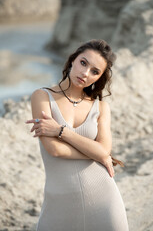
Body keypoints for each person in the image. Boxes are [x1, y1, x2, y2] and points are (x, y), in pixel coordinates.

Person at [26, 39, 129, 231]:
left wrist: (60, 131)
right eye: (83, 63)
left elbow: (104, 150)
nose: (85, 73)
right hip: (59, 202)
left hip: (104, 198)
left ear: (99, 78)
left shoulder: (101, 107)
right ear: (73, 59)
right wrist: (98, 154)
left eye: (95, 72)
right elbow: (54, 150)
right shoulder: (42, 97)